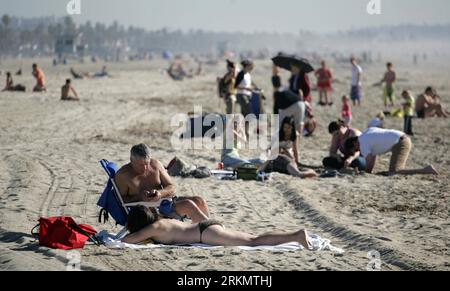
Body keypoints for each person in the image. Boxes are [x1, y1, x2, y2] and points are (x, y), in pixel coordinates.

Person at [122, 205, 312, 249]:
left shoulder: (154, 227)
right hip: (206, 227)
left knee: (254, 242)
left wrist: (115, 237)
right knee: (254, 238)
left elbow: (129, 239)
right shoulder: (161, 221)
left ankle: (296, 235)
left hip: (205, 234)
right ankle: (295, 235)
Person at [115, 144, 210, 223]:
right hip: (150, 211)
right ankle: (209, 231)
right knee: (188, 205)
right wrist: (139, 196)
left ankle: (204, 230)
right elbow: (121, 201)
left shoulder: (155, 164)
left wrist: (160, 193)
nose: (145, 168)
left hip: (166, 202)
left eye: (146, 164)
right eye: (140, 165)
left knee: (200, 201)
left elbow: (172, 187)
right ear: (131, 160)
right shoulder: (123, 175)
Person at [345, 127, 438, 175]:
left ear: (354, 143)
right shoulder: (366, 132)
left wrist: (365, 172)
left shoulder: (362, 143)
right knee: (394, 170)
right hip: (401, 138)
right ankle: (425, 170)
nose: (358, 150)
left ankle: (426, 170)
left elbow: (369, 163)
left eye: (355, 149)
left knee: (395, 171)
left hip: (400, 143)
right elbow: (372, 157)